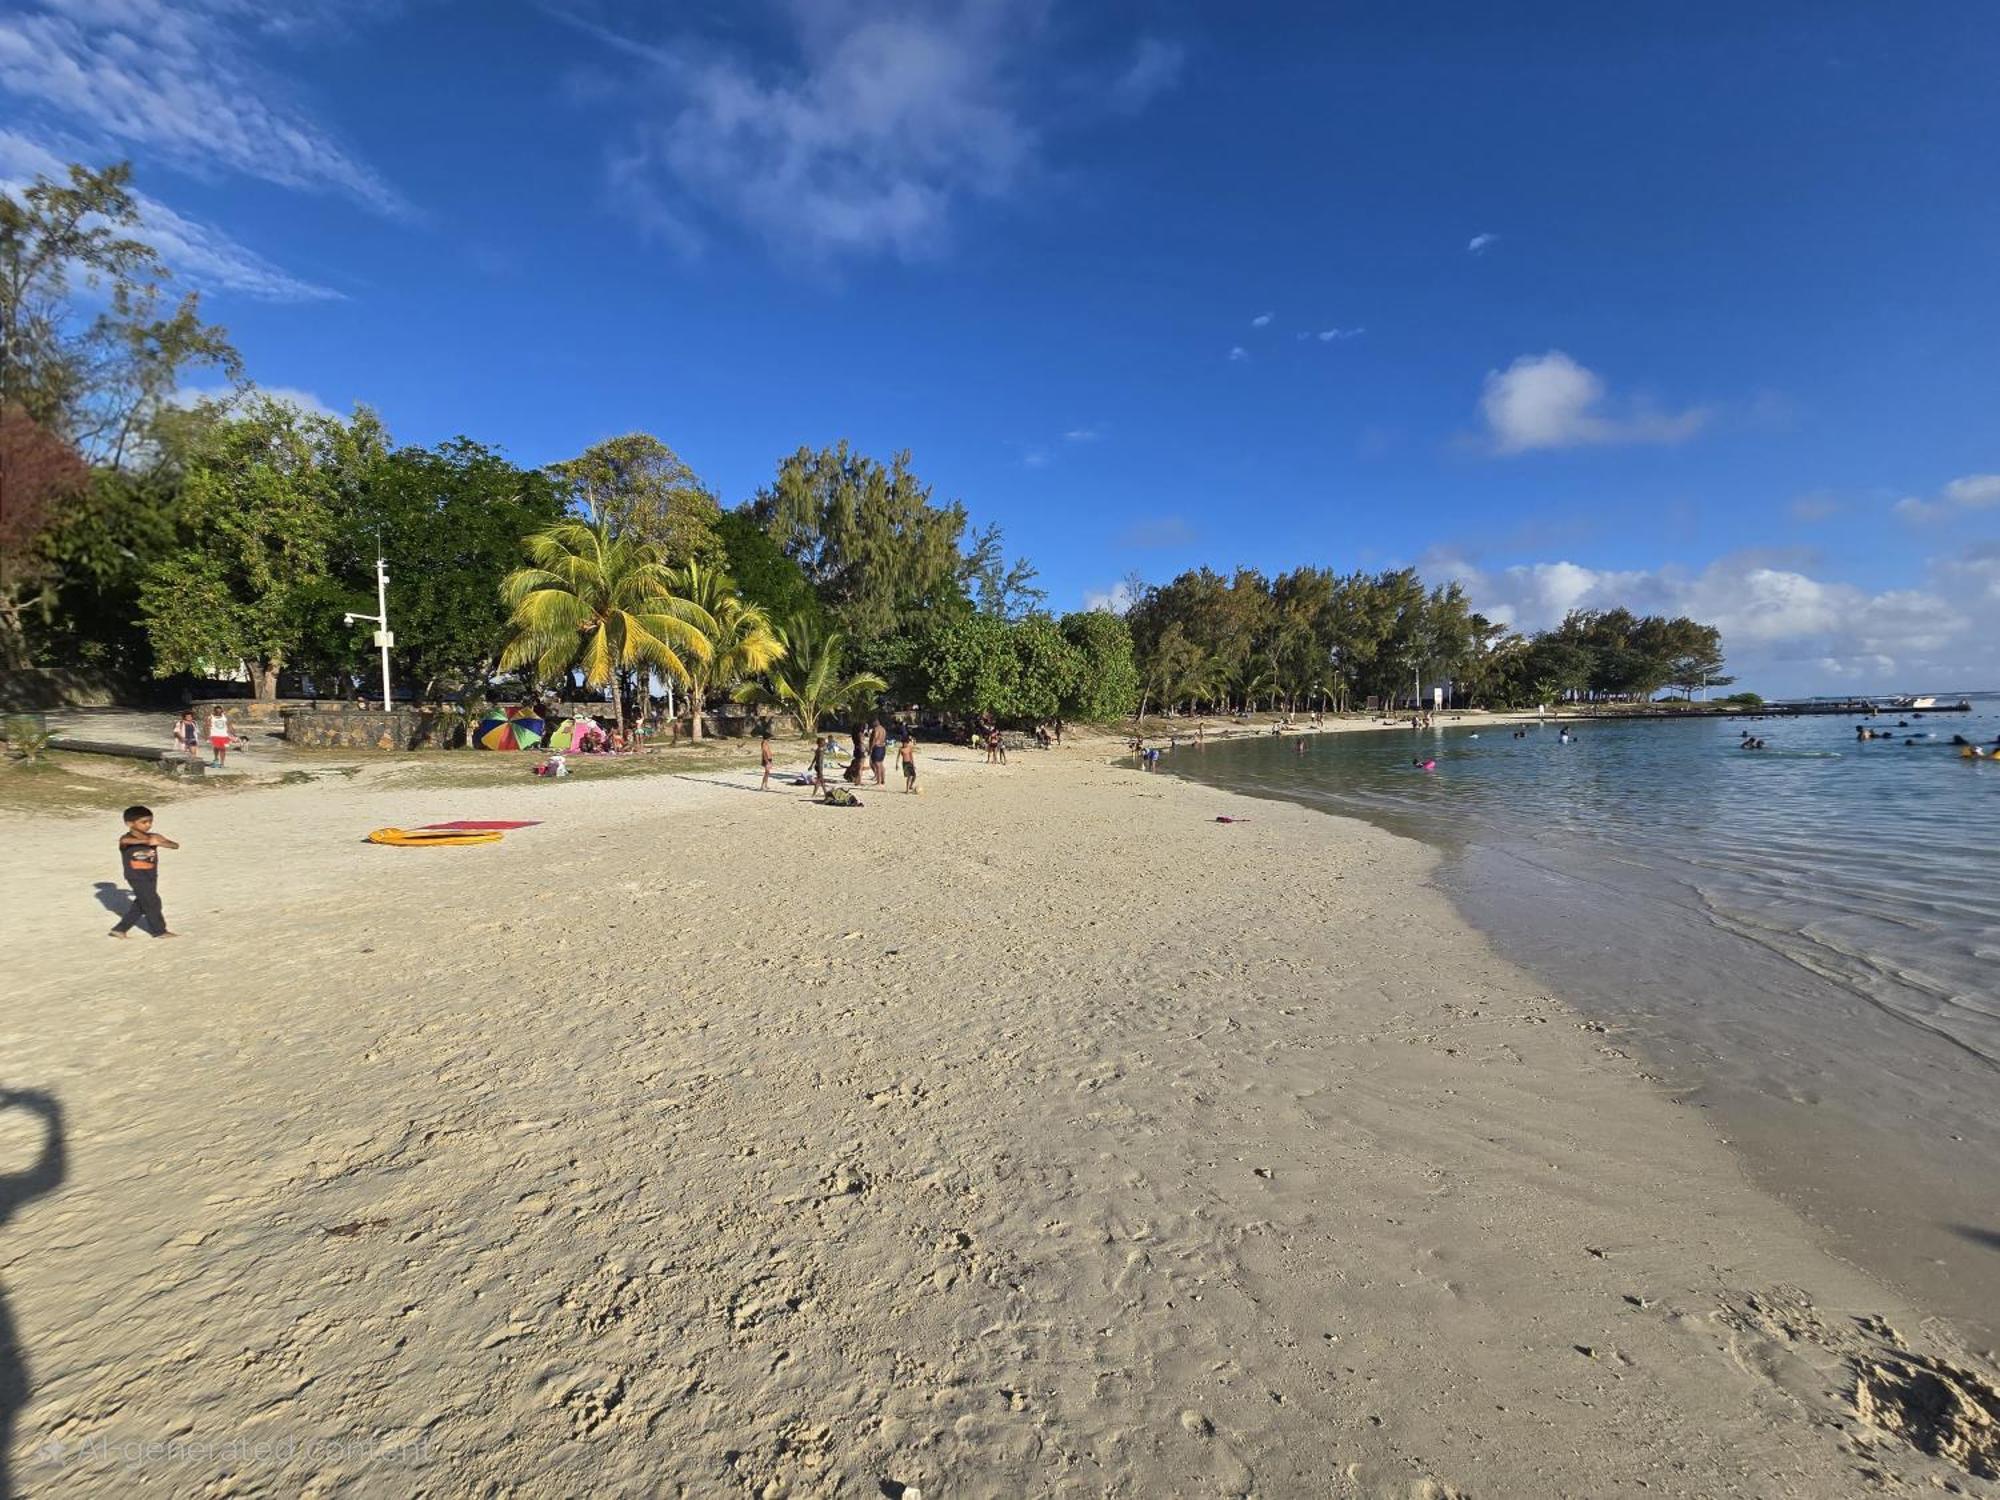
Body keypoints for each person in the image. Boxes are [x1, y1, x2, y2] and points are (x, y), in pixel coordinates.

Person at [109, 805, 178, 939]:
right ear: (129, 823)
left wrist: (163, 843)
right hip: (136, 876)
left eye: (150, 821)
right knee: (153, 902)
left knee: (143, 901)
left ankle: (120, 929)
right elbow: (126, 841)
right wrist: (146, 841)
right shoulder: (125, 839)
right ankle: (159, 931)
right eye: (144, 822)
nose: (148, 825)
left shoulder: (154, 836)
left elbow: (175, 845)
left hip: (151, 875)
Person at [869, 718, 888, 786]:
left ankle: (879, 781)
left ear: (875, 723)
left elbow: (875, 739)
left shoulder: (876, 729)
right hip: (883, 747)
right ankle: (883, 779)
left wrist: (870, 749)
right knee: (881, 764)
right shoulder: (883, 729)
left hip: (877, 747)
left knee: (877, 765)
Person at [759, 727, 774, 791]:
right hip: (766, 759)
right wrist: (766, 760)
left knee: (767, 772)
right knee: (766, 772)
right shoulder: (764, 743)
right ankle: (762, 786)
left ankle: (765, 785)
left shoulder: (766, 742)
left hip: (769, 758)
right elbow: (764, 752)